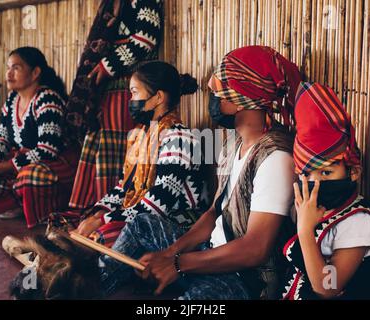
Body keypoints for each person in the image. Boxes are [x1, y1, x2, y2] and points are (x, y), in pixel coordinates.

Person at [94, 46, 302, 299]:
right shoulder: (233, 144)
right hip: (210, 252)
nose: (211, 95)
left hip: (244, 278)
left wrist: (180, 264)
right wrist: (171, 253)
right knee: (141, 225)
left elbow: (255, 249)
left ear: (240, 98)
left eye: (217, 90)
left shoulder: (275, 157)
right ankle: (95, 290)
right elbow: (214, 212)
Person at [48, 61, 206, 247]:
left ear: (158, 98)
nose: (130, 100)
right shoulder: (141, 136)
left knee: (99, 237)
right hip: (141, 216)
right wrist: (99, 212)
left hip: (174, 224)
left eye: (134, 93)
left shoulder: (180, 138)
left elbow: (158, 204)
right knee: (63, 222)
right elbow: (124, 187)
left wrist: (103, 221)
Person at [281, 82, 370, 300]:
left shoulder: (357, 221)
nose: (315, 184)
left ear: (353, 172)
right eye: (307, 175)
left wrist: (305, 231)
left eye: (326, 174)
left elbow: (328, 287)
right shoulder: (309, 209)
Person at [66, 0, 163, 209]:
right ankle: (93, 211)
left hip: (129, 86)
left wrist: (107, 65)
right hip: (110, 87)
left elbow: (145, 38)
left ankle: (111, 210)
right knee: (101, 145)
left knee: (118, 149)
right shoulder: (110, 4)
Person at [0, 47, 79, 228]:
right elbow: (0, 139)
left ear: (35, 72)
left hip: (54, 164)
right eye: (8, 67)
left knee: (29, 175)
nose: (9, 73)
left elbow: (47, 150)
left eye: (16, 68)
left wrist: (1, 168)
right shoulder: (12, 100)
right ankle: (18, 205)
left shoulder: (47, 99)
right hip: (21, 160)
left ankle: (46, 216)